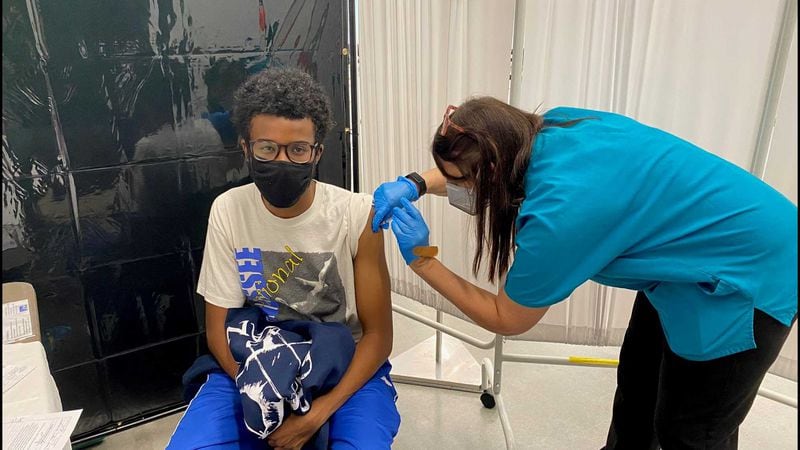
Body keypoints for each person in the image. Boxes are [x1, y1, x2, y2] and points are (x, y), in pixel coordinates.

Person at [373, 97, 797, 449]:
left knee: (690, 430)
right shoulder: (551, 127)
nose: (458, 190)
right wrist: (417, 183)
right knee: (638, 391)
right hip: (688, 262)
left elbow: (507, 318)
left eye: (460, 182)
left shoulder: (560, 215)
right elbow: (475, 167)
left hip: (753, 274)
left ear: (493, 176)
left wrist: (423, 260)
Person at [169, 68, 400, 450]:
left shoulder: (358, 215)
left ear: (317, 152)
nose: (281, 160)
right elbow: (217, 330)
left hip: (347, 365)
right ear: (246, 148)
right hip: (253, 360)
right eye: (266, 148)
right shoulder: (229, 210)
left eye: (297, 149)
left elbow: (377, 336)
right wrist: (262, 398)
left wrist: (315, 414)